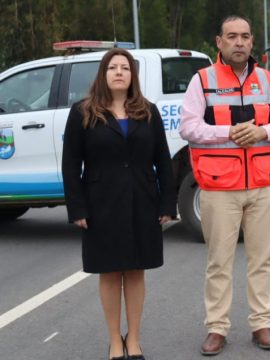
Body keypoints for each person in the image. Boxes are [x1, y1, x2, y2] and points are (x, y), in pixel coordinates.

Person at [179, 15, 270, 355]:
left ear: (251, 42)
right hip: (219, 187)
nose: (240, 42)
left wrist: (263, 131)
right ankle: (217, 328)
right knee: (219, 261)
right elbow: (189, 128)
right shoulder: (202, 81)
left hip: (263, 184)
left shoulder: (268, 80)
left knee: (263, 259)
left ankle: (261, 324)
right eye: (232, 36)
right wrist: (229, 133)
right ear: (219, 42)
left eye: (245, 36)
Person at [62, 48, 177, 360]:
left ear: (132, 75)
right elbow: (71, 165)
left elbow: (163, 163)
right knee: (110, 272)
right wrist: (77, 208)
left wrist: (168, 203)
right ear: (103, 73)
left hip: (143, 202)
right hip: (101, 205)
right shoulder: (83, 112)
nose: (118, 72)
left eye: (124, 67)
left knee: (136, 271)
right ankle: (115, 340)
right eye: (112, 67)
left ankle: (134, 339)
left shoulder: (148, 112)